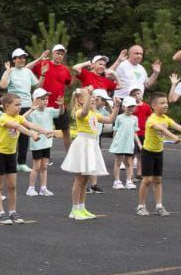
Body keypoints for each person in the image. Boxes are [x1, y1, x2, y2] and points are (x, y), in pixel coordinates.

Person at [0, 93, 54, 224]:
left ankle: (12, 212)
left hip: (11, 155)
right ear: (7, 106)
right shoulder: (3, 118)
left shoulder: (19, 117)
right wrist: (32, 134)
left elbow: (30, 125)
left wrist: (45, 131)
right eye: (17, 105)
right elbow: (18, 127)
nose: (20, 107)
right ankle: (0, 213)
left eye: (20, 104)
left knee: (13, 186)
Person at [139, 93, 181, 216]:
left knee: (158, 180)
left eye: (166, 103)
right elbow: (162, 129)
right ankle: (141, 206)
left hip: (158, 152)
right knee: (147, 180)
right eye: (162, 103)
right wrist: (173, 137)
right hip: (148, 152)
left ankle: (159, 206)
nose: (165, 105)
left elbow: (180, 127)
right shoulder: (152, 119)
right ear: (154, 106)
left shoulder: (165, 118)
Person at [60, 88, 113, 221]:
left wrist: (116, 106)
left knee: (85, 180)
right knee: (79, 179)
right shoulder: (80, 112)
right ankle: (74, 209)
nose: (93, 98)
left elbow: (110, 119)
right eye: (89, 97)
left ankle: (82, 207)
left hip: (92, 145)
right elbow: (84, 111)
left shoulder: (95, 114)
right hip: (83, 145)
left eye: (94, 97)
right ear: (80, 99)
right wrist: (90, 95)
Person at [0, 48, 38, 171]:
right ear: (14, 59)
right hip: (12, 107)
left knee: (24, 136)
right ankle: (10, 161)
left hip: (26, 104)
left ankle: (21, 163)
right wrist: (7, 72)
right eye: (19, 57)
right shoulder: (10, 71)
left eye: (23, 57)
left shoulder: (27, 71)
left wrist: (42, 73)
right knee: (11, 134)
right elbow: (3, 85)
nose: (22, 59)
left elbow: (36, 84)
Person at [29, 45, 75, 148]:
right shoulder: (44, 64)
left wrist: (75, 74)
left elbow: (69, 83)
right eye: (58, 53)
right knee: (43, 131)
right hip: (44, 106)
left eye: (62, 54)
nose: (59, 56)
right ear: (53, 53)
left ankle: (69, 157)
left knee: (66, 130)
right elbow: (27, 70)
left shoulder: (65, 69)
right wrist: (40, 59)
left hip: (59, 105)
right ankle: (44, 157)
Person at [24, 88, 57, 196]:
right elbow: (21, 119)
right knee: (36, 166)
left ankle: (43, 188)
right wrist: (31, 109)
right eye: (42, 99)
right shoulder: (32, 113)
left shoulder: (50, 110)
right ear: (36, 100)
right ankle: (31, 188)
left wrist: (61, 105)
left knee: (44, 166)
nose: (45, 101)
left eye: (46, 98)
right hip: (37, 143)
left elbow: (60, 112)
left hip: (47, 143)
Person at [108, 97, 141, 189]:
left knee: (129, 162)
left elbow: (135, 132)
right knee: (118, 162)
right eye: (129, 107)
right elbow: (115, 130)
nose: (131, 109)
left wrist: (139, 143)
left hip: (129, 144)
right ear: (124, 107)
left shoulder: (135, 118)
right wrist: (114, 142)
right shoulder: (119, 118)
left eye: (133, 107)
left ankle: (129, 181)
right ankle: (117, 181)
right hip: (120, 143)